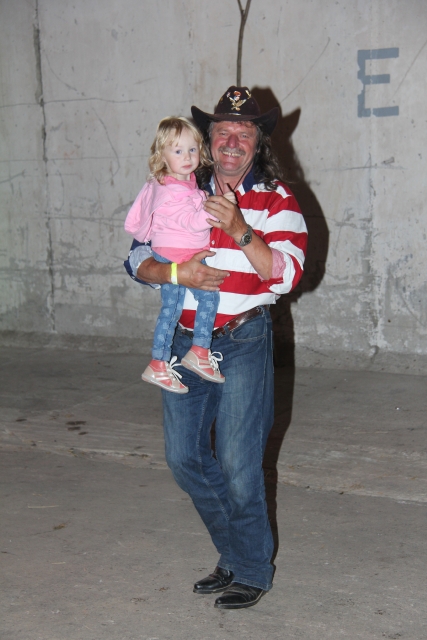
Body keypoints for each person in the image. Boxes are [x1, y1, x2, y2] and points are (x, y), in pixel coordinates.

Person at [124, 86, 308, 609]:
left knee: (238, 463)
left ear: (257, 143)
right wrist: (174, 273)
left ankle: (250, 568)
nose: (231, 141)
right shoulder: (179, 184)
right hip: (183, 341)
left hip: (244, 339)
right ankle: (235, 550)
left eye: (243, 132)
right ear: (207, 140)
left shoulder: (277, 199)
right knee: (184, 459)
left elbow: (287, 274)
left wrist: (240, 228)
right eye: (222, 131)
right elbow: (135, 258)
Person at [124, 116, 236, 393]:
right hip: (178, 255)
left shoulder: (179, 184)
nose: (187, 157)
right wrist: (220, 209)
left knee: (170, 310)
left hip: (172, 253)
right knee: (207, 298)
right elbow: (189, 221)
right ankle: (199, 351)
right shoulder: (172, 190)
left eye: (192, 149)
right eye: (177, 151)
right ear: (162, 156)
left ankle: (159, 362)